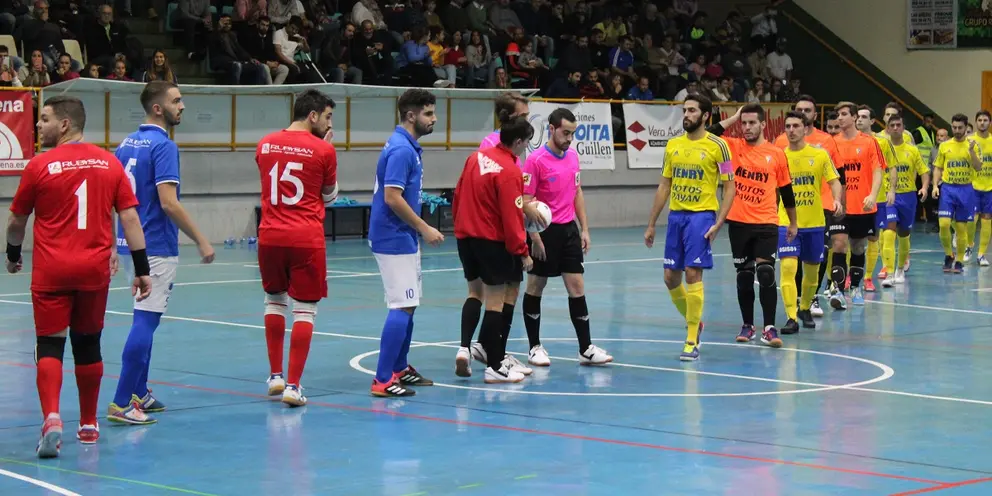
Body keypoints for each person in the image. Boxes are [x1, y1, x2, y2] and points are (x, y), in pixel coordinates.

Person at [6, 95, 153, 457]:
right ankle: (88, 424)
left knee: (50, 344)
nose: (38, 126)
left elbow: (16, 220)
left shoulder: (39, 165)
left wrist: (12, 255)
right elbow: (131, 218)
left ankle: (53, 417)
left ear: (65, 125)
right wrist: (142, 268)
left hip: (52, 270)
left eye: (44, 120)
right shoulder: (109, 162)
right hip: (93, 271)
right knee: (88, 344)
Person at [107, 81, 216, 425]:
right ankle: (122, 401)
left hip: (129, 244)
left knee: (144, 316)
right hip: (155, 244)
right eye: (176, 101)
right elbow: (169, 203)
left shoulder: (124, 144)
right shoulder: (163, 145)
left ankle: (139, 391)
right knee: (146, 320)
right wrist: (201, 239)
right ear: (158, 108)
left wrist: (113, 243)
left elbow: (111, 200)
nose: (182, 106)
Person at [256, 89, 339, 407]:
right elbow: (329, 198)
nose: (329, 123)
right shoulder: (323, 150)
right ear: (313, 115)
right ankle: (294, 385)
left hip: (270, 235)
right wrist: (325, 149)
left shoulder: (264, 143)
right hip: (305, 237)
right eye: (328, 116)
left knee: (274, 301)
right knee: (305, 308)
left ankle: (275, 377)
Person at [457, 91, 543, 378]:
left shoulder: (475, 157)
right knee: (496, 300)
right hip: (491, 240)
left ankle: (468, 349)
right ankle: (495, 365)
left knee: (475, 293)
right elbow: (510, 215)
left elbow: (458, 196)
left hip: (465, 238)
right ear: (518, 141)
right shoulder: (509, 169)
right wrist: (522, 251)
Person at [644, 94, 735, 361]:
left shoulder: (719, 146)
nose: (686, 114)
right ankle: (694, 319)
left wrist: (719, 221)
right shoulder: (673, 145)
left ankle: (691, 338)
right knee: (670, 278)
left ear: (706, 116)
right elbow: (664, 185)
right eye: (684, 110)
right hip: (676, 217)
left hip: (701, 217)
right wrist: (651, 224)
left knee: (693, 274)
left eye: (692, 110)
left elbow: (730, 186)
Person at [521, 108, 613, 367]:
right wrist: (534, 237)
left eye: (573, 133)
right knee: (536, 287)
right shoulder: (535, 161)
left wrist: (584, 228)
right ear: (551, 129)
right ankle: (534, 347)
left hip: (569, 230)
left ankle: (586, 348)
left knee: (577, 288)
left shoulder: (573, 156)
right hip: (543, 232)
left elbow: (577, 192)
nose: (569, 138)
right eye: (565, 133)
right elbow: (526, 201)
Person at [368, 89, 445, 398]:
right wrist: (424, 227)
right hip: (392, 235)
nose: (434, 119)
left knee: (409, 303)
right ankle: (382, 379)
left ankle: (399, 367)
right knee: (401, 304)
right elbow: (391, 197)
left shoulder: (407, 146)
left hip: (402, 235)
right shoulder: (401, 149)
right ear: (411, 116)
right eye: (428, 113)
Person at [721, 103, 795, 347]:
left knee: (765, 272)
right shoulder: (732, 147)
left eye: (752, 122)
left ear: (763, 125)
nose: (747, 127)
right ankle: (747, 325)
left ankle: (770, 328)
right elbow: (709, 133)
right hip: (739, 222)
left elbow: (786, 190)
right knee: (744, 276)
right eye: (744, 123)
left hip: (766, 222)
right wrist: (734, 117)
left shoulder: (776, 153)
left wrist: (793, 222)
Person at [772, 95, 842, 318]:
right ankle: (791, 316)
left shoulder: (819, 154)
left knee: (811, 272)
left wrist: (837, 199)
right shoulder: (779, 155)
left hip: (814, 221)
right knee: (789, 269)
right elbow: (771, 187)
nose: (791, 130)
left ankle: (805, 308)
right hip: (786, 221)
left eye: (796, 126)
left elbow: (834, 180)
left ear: (805, 129)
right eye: (788, 127)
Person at [828, 102, 885, 309]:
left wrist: (872, 194)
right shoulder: (832, 143)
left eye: (844, 114)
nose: (840, 118)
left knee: (859, 247)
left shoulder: (870, 143)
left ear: (854, 117)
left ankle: (856, 287)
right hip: (840, 206)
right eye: (838, 115)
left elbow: (878, 170)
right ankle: (838, 290)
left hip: (862, 205)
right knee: (839, 244)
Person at [878, 113, 929, 287]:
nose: (895, 128)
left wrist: (924, 187)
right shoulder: (882, 149)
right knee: (888, 232)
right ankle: (889, 272)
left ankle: (900, 268)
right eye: (891, 125)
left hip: (908, 196)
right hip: (888, 196)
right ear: (887, 128)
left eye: (898, 125)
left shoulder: (912, 150)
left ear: (903, 127)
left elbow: (924, 171)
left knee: (904, 234)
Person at [932, 113, 982, 273]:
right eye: (954, 127)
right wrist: (934, 186)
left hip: (966, 189)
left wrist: (972, 151)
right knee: (944, 224)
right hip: (948, 188)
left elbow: (978, 167)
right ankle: (949, 255)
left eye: (960, 128)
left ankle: (959, 260)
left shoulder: (973, 145)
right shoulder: (945, 146)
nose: (957, 130)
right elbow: (938, 167)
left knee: (961, 228)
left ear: (966, 127)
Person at [856, 105, 897, 292]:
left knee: (873, 237)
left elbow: (892, 167)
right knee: (852, 239)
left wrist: (892, 190)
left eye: (864, 117)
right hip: (854, 198)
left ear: (872, 121)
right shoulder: (849, 141)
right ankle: (850, 276)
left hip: (877, 198)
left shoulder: (882, 142)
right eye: (857, 116)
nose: (859, 120)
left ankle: (867, 277)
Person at [970, 109, 992, 266]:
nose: (982, 122)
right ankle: (969, 246)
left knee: (986, 220)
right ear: (976, 122)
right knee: (972, 219)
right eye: (980, 120)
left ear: (990, 123)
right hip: (972, 186)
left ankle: (981, 254)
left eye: (985, 120)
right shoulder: (970, 140)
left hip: (989, 188)